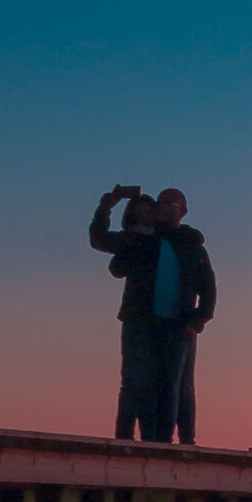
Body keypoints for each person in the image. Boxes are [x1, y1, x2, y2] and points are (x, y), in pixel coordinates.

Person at [89, 186, 216, 442]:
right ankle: (132, 440)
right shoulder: (141, 238)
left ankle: (172, 443)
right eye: (161, 203)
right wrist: (106, 208)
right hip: (141, 321)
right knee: (137, 381)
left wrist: (197, 322)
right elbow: (101, 241)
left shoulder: (191, 245)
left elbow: (209, 289)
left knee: (175, 385)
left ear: (183, 211)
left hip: (178, 325)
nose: (163, 208)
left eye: (171, 205)